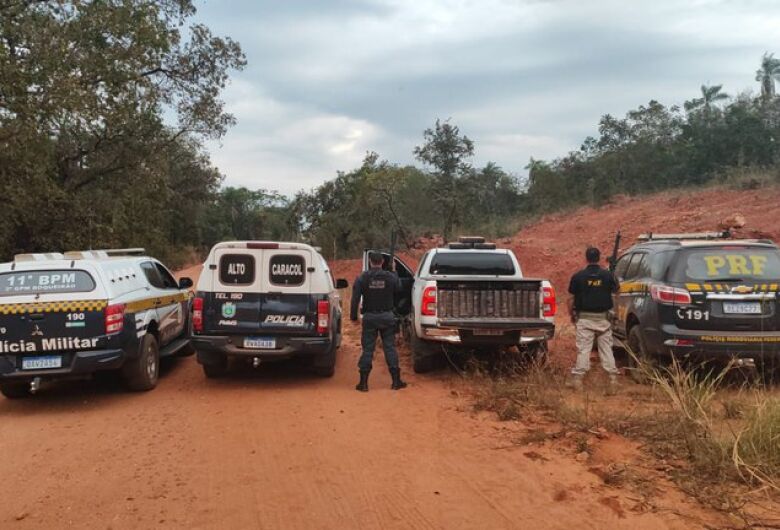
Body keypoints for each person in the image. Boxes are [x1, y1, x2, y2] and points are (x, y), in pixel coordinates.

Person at [566, 246, 621, 394]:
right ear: (599, 258)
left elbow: (570, 299)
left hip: (584, 319)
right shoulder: (608, 276)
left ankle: (578, 381)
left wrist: (572, 315)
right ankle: (612, 380)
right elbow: (616, 295)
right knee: (606, 349)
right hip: (604, 319)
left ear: (586, 258)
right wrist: (615, 315)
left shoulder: (578, 276)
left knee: (583, 349)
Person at [350, 252, 407, 392]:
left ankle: (363, 384)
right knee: (390, 348)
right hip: (387, 317)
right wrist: (393, 271)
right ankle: (395, 381)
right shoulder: (390, 276)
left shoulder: (362, 278)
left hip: (369, 318)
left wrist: (353, 317)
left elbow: (355, 299)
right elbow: (399, 288)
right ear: (382, 262)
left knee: (368, 349)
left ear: (370, 262)